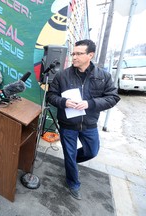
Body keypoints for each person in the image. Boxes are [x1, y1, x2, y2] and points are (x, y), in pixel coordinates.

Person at [46, 39, 120, 200]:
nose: (74, 57)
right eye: (73, 53)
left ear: (90, 55)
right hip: (68, 124)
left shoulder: (103, 76)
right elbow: (51, 96)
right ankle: (73, 183)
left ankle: (70, 162)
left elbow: (113, 98)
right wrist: (64, 102)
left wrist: (90, 103)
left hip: (89, 124)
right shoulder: (62, 75)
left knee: (92, 151)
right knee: (70, 154)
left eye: (79, 54)